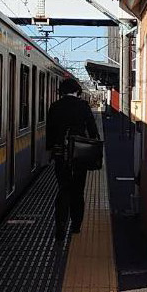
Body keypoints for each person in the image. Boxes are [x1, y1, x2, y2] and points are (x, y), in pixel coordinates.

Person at [46, 76, 100, 241]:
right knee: (78, 190)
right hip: (79, 155)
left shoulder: (55, 107)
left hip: (60, 155)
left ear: (62, 92)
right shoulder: (83, 106)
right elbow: (92, 130)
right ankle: (76, 225)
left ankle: (60, 226)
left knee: (64, 189)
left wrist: (51, 151)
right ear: (77, 91)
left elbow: (50, 132)